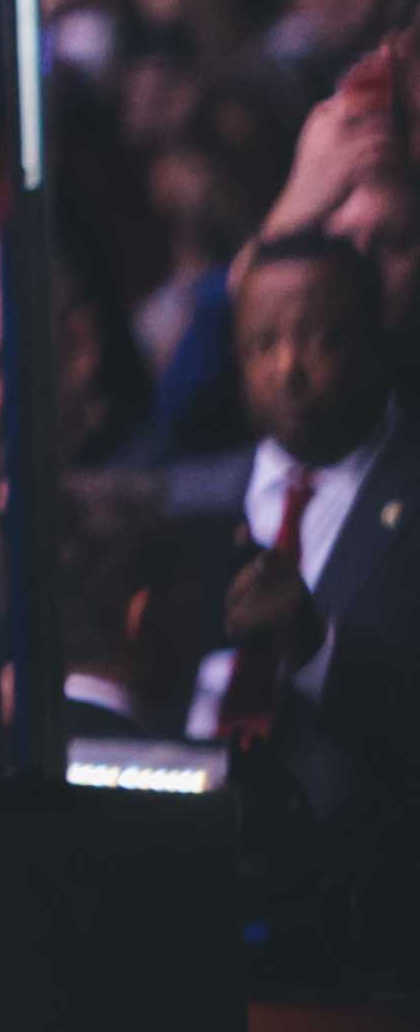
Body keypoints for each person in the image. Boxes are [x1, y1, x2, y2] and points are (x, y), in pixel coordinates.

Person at [163, 237, 412, 830]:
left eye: (322, 339)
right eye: (261, 343)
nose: (288, 370)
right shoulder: (185, 500)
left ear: (376, 338)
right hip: (180, 836)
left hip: (359, 864)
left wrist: (313, 646)